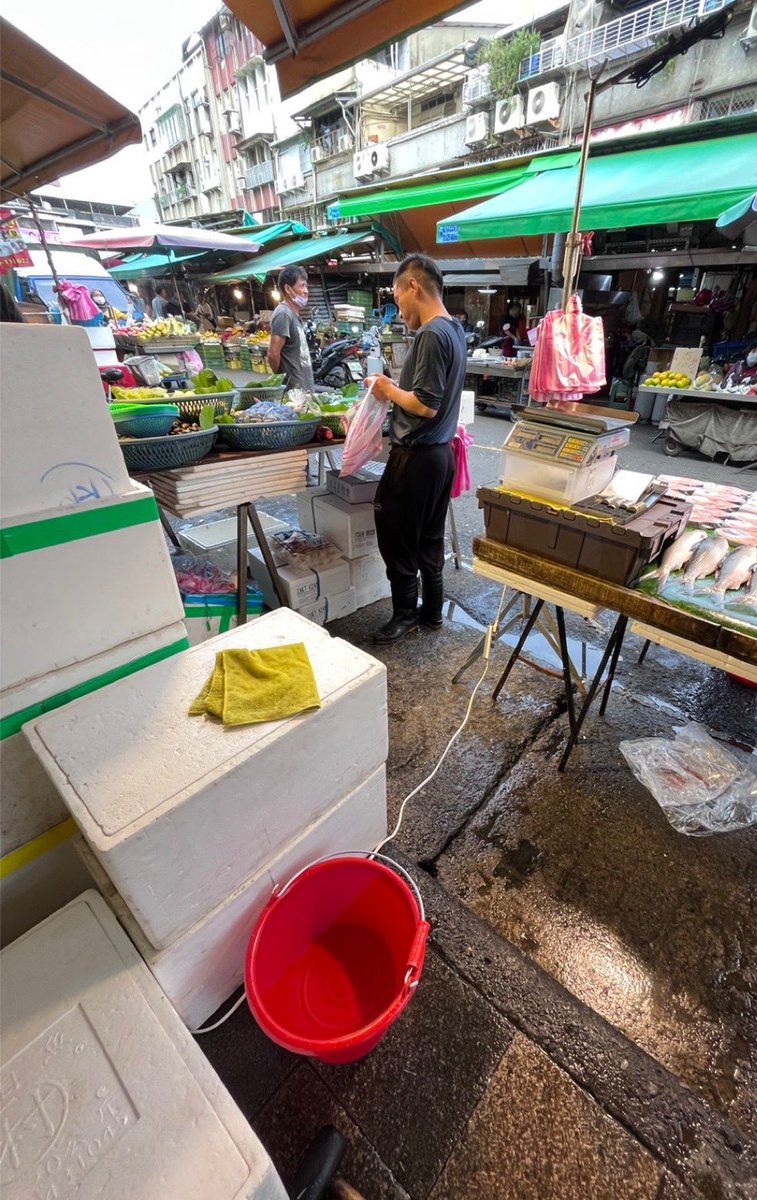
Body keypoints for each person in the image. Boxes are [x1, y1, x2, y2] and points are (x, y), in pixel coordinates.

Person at [366, 254, 467, 644]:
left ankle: (406, 615)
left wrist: (386, 389)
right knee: (429, 537)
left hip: (416, 459)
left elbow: (426, 404)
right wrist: (396, 388)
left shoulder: (431, 333)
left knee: (396, 536)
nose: (398, 308)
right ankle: (432, 613)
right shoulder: (454, 330)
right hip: (440, 458)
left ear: (413, 285)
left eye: (397, 296)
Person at [268, 266, 314, 390]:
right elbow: (273, 354)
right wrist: (283, 380)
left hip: (304, 390)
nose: (306, 291)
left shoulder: (294, 315)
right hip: (293, 393)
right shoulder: (283, 314)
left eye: (306, 286)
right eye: (302, 286)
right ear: (288, 289)